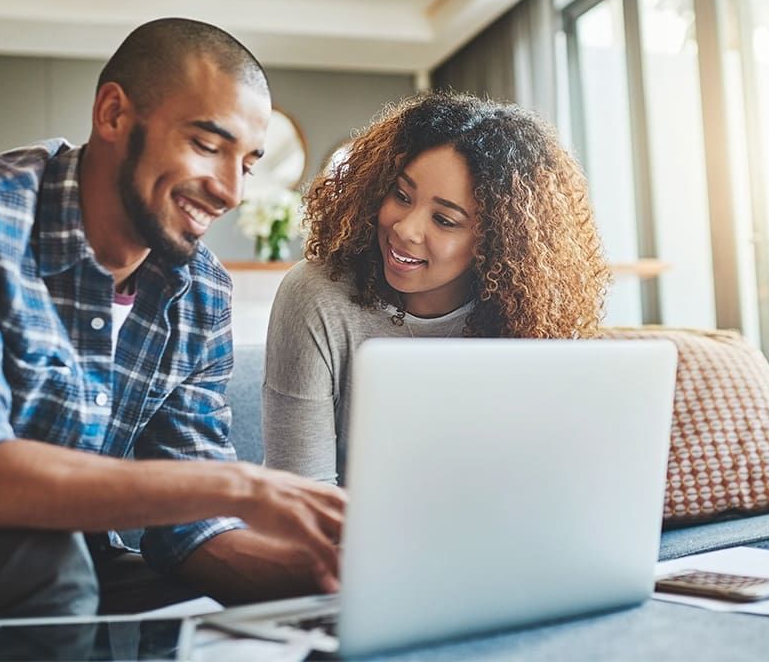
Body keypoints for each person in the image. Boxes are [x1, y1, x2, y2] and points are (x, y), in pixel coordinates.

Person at [0, 18, 346, 637]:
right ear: (114, 114)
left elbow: (189, 532)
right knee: (48, 563)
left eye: (247, 164)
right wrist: (240, 485)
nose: (230, 192)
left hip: (68, 560)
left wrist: (325, 574)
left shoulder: (201, 291)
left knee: (196, 606)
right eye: (207, 145)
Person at [262, 90, 611, 485]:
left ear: (496, 240)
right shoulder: (317, 296)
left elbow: (546, 478)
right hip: (342, 536)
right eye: (401, 195)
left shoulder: (528, 318)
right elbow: (300, 494)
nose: (405, 229)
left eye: (444, 220)